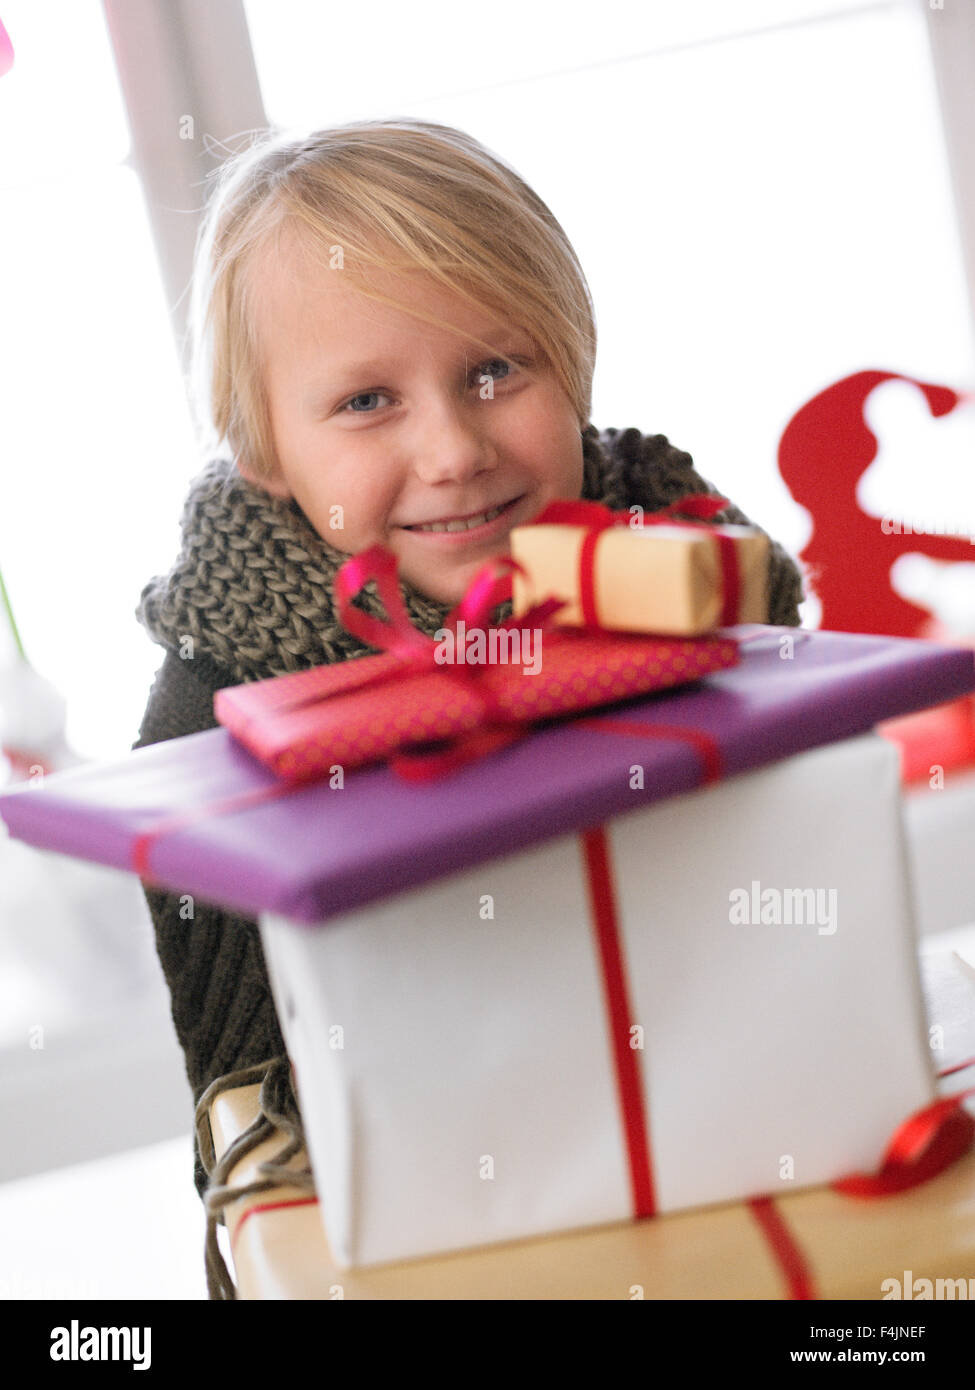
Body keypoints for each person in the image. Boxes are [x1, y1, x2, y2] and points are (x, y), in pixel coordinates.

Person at [132, 117, 805, 1297]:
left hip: (728, 1121)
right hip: (417, 1200)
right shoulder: (224, 685)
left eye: (495, 371)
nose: (453, 449)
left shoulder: (683, 550)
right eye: (365, 403)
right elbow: (245, 1088)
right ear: (267, 449)